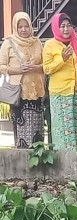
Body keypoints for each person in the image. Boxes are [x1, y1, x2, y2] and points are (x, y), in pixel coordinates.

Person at [43, 13, 77, 151]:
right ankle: (63, 162)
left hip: (74, 91)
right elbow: (47, 69)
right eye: (62, 26)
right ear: (56, 27)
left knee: (75, 130)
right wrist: (62, 59)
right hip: (59, 93)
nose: (66, 29)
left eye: (69, 26)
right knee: (63, 131)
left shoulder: (76, 42)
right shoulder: (50, 45)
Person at [0, 12, 46, 149]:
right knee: (21, 130)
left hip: (36, 91)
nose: (24, 30)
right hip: (19, 94)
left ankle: (38, 160)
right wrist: (18, 70)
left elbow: (46, 66)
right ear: (16, 27)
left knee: (37, 129)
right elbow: (1, 66)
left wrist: (35, 68)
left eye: (26, 26)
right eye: (20, 27)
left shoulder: (37, 42)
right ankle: (21, 160)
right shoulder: (8, 43)